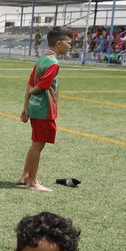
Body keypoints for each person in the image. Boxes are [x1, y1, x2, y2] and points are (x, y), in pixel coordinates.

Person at [19, 30, 73, 192]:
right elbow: (40, 85)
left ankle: (26, 175)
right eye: (68, 42)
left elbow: (30, 83)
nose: (70, 45)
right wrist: (31, 93)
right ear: (59, 44)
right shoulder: (53, 63)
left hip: (35, 107)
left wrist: (26, 107)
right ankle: (32, 182)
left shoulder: (42, 58)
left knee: (35, 143)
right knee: (38, 144)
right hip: (44, 108)